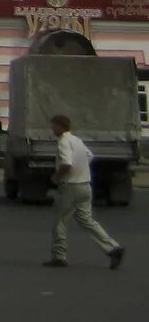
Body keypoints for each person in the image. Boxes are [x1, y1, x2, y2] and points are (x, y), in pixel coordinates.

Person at [45, 114, 124, 269]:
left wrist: (55, 177)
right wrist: (81, 169)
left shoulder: (63, 142)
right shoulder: (77, 140)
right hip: (85, 185)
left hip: (70, 186)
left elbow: (66, 164)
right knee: (87, 221)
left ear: (60, 126)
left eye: (53, 126)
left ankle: (59, 256)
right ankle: (113, 248)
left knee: (60, 221)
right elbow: (90, 156)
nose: (52, 129)